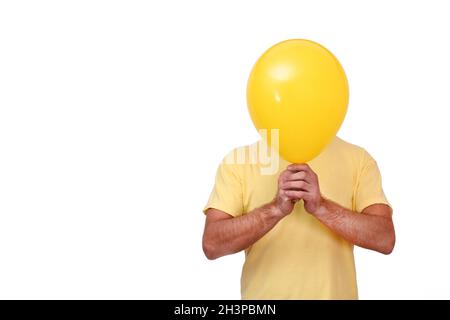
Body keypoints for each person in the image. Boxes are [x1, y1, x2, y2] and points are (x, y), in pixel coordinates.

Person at [202, 137, 395, 299]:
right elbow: (212, 244)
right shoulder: (239, 162)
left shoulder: (358, 159)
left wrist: (321, 207)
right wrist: (274, 209)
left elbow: (384, 238)